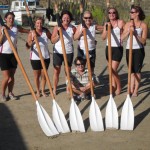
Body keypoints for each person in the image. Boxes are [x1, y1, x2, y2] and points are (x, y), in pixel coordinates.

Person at [0, 12, 30, 102]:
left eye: (12, 18)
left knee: (12, 76)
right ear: (5, 19)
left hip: (14, 54)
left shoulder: (16, 27)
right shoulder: (2, 28)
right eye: (9, 18)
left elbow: (24, 30)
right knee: (6, 77)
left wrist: (32, 31)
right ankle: (2, 94)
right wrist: (3, 33)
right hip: (4, 55)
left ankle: (10, 93)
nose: (11, 20)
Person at [121, 5, 148, 97]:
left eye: (132, 12)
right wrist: (129, 31)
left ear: (137, 13)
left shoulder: (143, 25)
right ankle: (130, 89)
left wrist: (136, 34)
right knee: (131, 71)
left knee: (137, 71)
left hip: (138, 50)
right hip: (129, 49)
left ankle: (136, 90)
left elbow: (144, 42)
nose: (130, 14)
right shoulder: (128, 24)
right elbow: (122, 38)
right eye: (130, 12)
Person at [51, 10, 76, 95]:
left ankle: (68, 88)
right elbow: (52, 40)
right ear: (61, 18)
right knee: (56, 71)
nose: (66, 19)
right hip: (58, 52)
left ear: (70, 19)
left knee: (67, 71)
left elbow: (76, 37)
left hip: (68, 52)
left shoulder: (72, 28)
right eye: (64, 17)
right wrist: (58, 35)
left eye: (68, 18)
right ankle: (54, 89)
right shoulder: (56, 27)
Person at [101, 7, 125, 95]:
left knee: (113, 69)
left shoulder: (121, 22)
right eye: (110, 13)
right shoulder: (106, 24)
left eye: (113, 12)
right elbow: (103, 38)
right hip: (109, 48)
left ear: (116, 13)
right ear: (108, 14)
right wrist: (107, 30)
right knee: (110, 70)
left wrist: (123, 37)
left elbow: (125, 32)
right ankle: (113, 86)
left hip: (117, 48)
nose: (111, 14)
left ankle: (118, 86)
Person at [26, 17, 51, 98]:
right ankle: (38, 91)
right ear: (35, 24)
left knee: (44, 76)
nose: (39, 25)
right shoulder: (32, 33)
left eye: (40, 23)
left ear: (42, 23)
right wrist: (33, 41)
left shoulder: (46, 31)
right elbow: (27, 46)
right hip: (35, 58)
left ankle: (43, 91)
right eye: (37, 23)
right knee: (37, 76)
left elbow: (52, 39)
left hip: (45, 57)